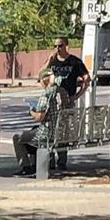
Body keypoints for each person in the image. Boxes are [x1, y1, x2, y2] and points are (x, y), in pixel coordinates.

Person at [46, 36, 90, 170]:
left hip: (67, 100)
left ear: (66, 46)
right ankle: (50, 160)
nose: (57, 49)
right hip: (53, 101)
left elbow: (86, 79)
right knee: (51, 130)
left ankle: (62, 160)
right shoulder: (53, 62)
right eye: (55, 46)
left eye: (60, 46)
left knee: (63, 131)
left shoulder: (74, 62)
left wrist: (77, 96)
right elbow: (42, 75)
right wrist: (49, 60)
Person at [13, 67, 64, 175]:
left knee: (17, 138)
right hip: (62, 132)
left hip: (48, 133)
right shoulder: (62, 92)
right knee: (34, 129)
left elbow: (39, 117)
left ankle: (26, 167)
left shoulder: (46, 95)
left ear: (44, 81)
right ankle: (42, 163)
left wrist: (31, 111)